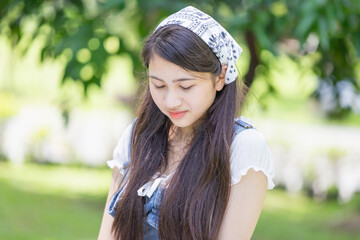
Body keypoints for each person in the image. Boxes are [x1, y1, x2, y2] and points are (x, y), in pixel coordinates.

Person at [98, 6, 275, 240]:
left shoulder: (243, 148)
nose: (171, 101)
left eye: (186, 86)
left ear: (220, 77)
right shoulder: (137, 137)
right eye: (158, 85)